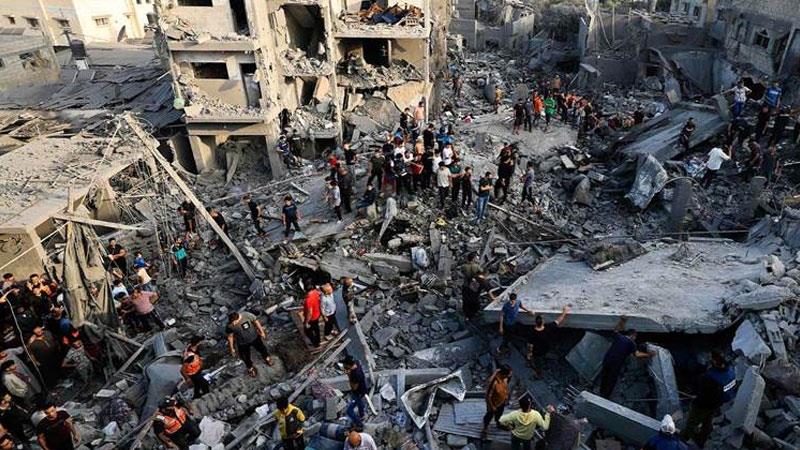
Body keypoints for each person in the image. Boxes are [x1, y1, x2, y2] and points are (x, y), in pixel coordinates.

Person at [681, 351, 736, 448]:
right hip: (718, 404)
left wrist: (695, 397)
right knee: (708, 422)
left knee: (692, 422)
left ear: (715, 361)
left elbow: (705, 395)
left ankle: (684, 438)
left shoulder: (711, 377)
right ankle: (702, 439)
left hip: (704, 405)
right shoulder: (731, 371)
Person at [599, 316, 655, 398]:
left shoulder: (619, 337)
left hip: (607, 360)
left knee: (604, 377)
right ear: (633, 335)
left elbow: (616, 329)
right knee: (611, 380)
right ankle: (606, 396)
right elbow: (637, 354)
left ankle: (601, 392)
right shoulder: (631, 343)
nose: (635, 338)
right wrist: (649, 354)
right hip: (615, 364)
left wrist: (622, 321)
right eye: (635, 337)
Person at [526, 306, 570, 376]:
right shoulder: (548, 328)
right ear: (543, 322)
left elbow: (530, 345)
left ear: (535, 323)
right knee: (542, 358)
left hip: (537, 352)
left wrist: (529, 354)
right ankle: (542, 366)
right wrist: (564, 312)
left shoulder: (532, 332)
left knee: (537, 364)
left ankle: (538, 373)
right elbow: (558, 320)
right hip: (546, 348)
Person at [226, 311, 273, 377]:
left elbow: (256, 322)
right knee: (245, 357)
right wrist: (232, 348)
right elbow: (230, 337)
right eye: (232, 322)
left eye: (235, 322)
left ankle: (267, 358)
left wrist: (262, 332)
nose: (233, 324)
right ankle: (250, 368)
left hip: (254, 337)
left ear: (238, 318)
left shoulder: (247, 315)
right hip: (242, 343)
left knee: (262, 349)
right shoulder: (229, 326)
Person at [482, 364, 512, 436]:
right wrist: (492, 406)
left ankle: (498, 424)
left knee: (499, 414)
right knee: (489, 416)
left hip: (501, 402)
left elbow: (506, 386)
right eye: (508, 375)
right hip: (493, 404)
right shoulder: (494, 382)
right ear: (503, 374)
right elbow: (488, 396)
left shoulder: (505, 378)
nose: (509, 376)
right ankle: (485, 428)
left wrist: (505, 397)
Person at [344, 356, 368, 429]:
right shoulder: (357, 362)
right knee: (360, 403)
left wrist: (348, 375)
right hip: (363, 389)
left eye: (345, 365)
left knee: (349, 411)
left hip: (358, 392)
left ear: (348, 365)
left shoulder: (355, 375)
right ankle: (362, 415)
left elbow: (354, 387)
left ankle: (359, 423)